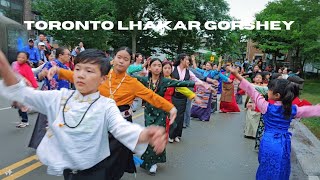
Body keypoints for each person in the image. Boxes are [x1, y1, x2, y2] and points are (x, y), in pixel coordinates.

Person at [0, 50, 168, 179]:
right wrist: (4, 66)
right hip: (68, 171)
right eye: (78, 68)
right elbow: (23, 93)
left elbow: (122, 128)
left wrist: (146, 134)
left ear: (103, 79)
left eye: (89, 71)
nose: (80, 74)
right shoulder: (60, 97)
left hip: (95, 171)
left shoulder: (106, 105)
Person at [48, 46, 177, 180]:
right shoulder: (101, 77)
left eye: (126, 59)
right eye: (119, 57)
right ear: (113, 59)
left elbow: (151, 96)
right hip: (97, 122)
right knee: (92, 159)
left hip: (120, 125)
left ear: (129, 63)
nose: (121, 61)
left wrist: (170, 108)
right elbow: (77, 76)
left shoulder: (133, 83)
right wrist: (58, 71)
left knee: (113, 163)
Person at [227, 66, 320, 180]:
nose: (268, 90)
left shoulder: (266, 106)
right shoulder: (292, 109)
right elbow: (312, 110)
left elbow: (251, 90)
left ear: (276, 95)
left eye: (269, 89)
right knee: (281, 166)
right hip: (284, 142)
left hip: (269, 141)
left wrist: (237, 75)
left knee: (266, 166)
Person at [134, 58, 197, 175]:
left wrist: (198, 83)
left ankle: (153, 163)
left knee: (158, 136)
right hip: (149, 112)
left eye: (159, 65)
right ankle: (148, 160)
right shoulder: (144, 80)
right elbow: (129, 78)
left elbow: (179, 83)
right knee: (150, 135)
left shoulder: (165, 81)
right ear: (149, 67)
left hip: (161, 112)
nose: (157, 67)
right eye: (154, 65)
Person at [11, 52, 38, 128]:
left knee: (22, 105)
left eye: (23, 57)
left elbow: (31, 78)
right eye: (19, 57)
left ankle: (25, 121)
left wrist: (34, 87)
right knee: (18, 105)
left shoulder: (26, 67)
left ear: (26, 59)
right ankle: (24, 118)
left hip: (25, 89)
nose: (20, 59)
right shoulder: (15, 65)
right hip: (17, 89)